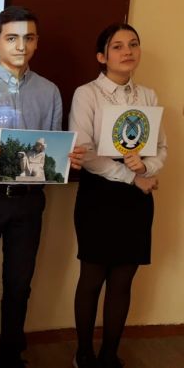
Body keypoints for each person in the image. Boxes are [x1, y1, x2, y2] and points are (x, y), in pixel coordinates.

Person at [0, 6, 84, 368]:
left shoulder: (49, 92)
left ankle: (11, 355)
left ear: (37, 42)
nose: (20, 46)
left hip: (29, 201)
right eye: (12, 38)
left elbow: (53, 145)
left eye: (28, 38)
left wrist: (66, 158)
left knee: (19, 285)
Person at [68, 24, 166, 368]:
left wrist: (147, 166)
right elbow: (84, 152)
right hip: (99, 195)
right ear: (102, 56)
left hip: (137, 200)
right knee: (92, 278)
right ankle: (84, 353)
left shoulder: (148, 96)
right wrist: (131, 176)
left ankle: (110, 354)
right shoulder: (87, 94)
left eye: (133, 44)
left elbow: (161, 147)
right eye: (118, 46)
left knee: (123, 281)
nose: (128, 51)